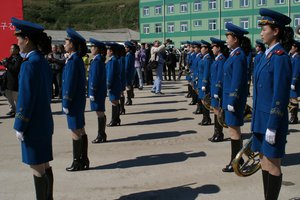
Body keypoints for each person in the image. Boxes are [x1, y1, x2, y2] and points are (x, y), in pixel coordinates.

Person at [251, 8, 293, 200]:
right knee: (263, 160)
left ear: (275, 31)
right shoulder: (265, 56)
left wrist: (273, 125)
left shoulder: (280, 57)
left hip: (271, 121)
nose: (261, 32)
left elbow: (280, 95)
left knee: (273, 162)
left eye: (264, 28)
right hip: (260, 118)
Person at [11, 17, 54, 200]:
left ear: (26, 40)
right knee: (44, 165)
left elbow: (25, 99)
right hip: (44, 121)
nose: (17, 43)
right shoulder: (42, 61)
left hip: (33, 125)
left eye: (19, 38)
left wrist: (19, 124)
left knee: (36, 167)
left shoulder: (29, 65)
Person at [222, 23, 250, 173]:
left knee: (234, 131)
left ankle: (236, 162)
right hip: (229, 98)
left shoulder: (239, 56)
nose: (226, 40)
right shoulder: (234, 54)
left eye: (228, 37)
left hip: (234, 100)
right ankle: (238, 159)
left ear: (236, 39)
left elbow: (237, 81)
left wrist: (232, 100)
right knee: (233, 130)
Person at [62, 28, 89, 171]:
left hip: (73, 101)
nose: (65, 44)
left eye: (66, 41)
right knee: (80, 129)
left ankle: (77, 161)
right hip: (78, 100)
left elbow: (70, 84)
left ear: (72, 44)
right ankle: (84, 159)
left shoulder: (73, 60)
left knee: (75, 131)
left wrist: (66, 102)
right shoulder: (76, 59)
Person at [88, 38, 107, 143]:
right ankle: (102, 134)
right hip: (99, 90)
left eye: (93, 47)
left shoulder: (97, 61)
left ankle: (101, 135)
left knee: (99, 113)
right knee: (100, 112)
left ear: (97, 49)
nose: (91, 49)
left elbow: (94, 78)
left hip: (97, 91)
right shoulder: (98, 60)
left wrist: (92, 91)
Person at [209, 37, 228, 142]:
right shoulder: (217, 59)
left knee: (218, 112)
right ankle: (216, 132)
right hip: (213, 89)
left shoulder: (221, 60)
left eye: (213, 47)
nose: (212, 49)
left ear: (219, 48)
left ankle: (219, 134)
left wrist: (217, 91)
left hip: (217, 90)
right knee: (215, 112)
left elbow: (220, 77)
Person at [1, 44, 22, 117]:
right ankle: (12, 110)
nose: (10, 50)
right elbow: (7, 64)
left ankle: (19, 111)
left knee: (16, 98)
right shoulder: (11, 57)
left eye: (12, 48)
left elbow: (15, 69)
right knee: (9, 97)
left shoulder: (19, 58)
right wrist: (3, 62)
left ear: (17, 50)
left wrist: (6, 64)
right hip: (7, 81)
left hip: (14, 81)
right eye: (10, 48)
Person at [106, 42, 122, 126]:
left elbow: (110, 75)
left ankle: (114, 120)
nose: (106, 52)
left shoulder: (112, 61)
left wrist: (108, 85)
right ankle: (117, 119)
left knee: (114, 102)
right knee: (115, 102)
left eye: (108, 50)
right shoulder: (114, 60)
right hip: (116, 84)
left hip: (113, 85)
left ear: (111, 51)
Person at [198, 40, 212, 126]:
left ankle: (207, 118)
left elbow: (206, 72)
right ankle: (205, 118)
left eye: (202, 48)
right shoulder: (203, 57)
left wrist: (204, 84)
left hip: (204, 82)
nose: (201, 49)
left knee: (205, 101)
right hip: (200, 81)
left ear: (206, 49)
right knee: (202, 100)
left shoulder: (208, 58)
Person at [289, 40, 300, 124]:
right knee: (291, 99)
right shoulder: (292, 57)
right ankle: (293, 116)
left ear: (296, 48)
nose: (291, 48)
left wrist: (293, 82)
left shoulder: (297, 58)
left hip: (294, 83)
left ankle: (294, 117)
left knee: (294, 99)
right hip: (290, 81)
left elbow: (296, 71)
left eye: (292, 46)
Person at [124, 41, 135, 106]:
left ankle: (129, 99)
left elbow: (127, 66)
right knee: (129, 85)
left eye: (126, 47)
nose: (125, 48)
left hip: (128, 73)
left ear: (129, 48)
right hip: (130, 72)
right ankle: (129, 98)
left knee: (128, 86)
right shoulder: (131, 54)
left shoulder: (129, 55)